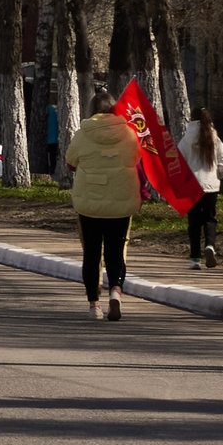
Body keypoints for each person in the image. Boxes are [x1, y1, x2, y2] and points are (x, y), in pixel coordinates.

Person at [64, 88, 142, 321]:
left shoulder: (83, 134)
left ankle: (94, 305)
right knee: (115, 251)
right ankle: (116, 291)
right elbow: (138, 158)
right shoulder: (129, 132)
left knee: (92, 253)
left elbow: (70, 163)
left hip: (90, 202)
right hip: (121, 201)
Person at [178, 106, 223, 270]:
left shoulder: (187, 138)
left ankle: (195, 259)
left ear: (192, 118)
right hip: (211, 185)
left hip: (192, 185)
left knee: (194, 222)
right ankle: (210, 245)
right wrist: (218, 174)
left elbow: (179, 160)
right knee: (209, 218)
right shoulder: (214, 137)